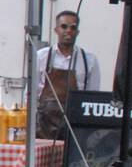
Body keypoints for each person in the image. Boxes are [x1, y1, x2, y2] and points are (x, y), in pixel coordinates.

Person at [35, 10, 100, 139]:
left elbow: (93, 99)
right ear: (56, 30)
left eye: (73, 27)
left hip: (75, 127)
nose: (68, 31)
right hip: (43, 127)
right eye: (64, 26)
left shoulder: (90, 60)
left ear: (78, 32)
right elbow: (30, 94)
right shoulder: (41, 56)